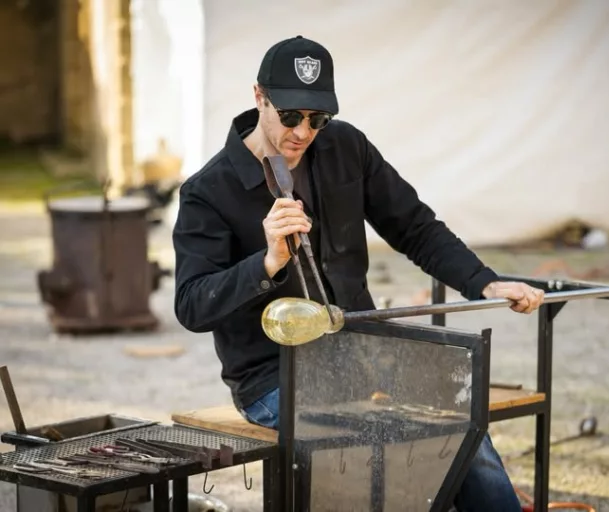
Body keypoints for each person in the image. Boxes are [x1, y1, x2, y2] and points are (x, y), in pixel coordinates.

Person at [173, 35, 545, 512]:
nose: (303, 133)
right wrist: (266, 263)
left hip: (363, 350)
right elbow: (191, 305)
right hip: (272, 377)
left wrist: (485, 282)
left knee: (462, 424)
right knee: (385, 451)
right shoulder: (209, 189)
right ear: (259, 97)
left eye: (317, 119)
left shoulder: (345, 146)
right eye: (289, 116)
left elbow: (414, 226)